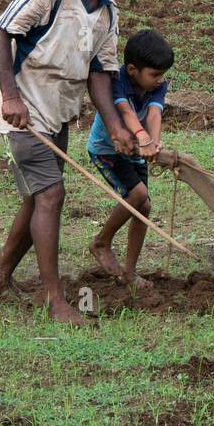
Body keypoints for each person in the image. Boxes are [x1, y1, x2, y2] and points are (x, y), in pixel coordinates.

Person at [0, 0, 138, 324]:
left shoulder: (107, 12)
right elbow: (1, 34)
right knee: (52, 196)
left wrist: (116, 126)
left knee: (36, 196)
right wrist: (11, 98)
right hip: (24, 110)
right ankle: (55, 301)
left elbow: (101, 73)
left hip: (60, 110)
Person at [86, 29, 175, 288]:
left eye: (162, 75)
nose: (160, 80)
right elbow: (125, 110)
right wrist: (142, 137)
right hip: (107, 150)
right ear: (134, 69)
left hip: (136, 152)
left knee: (144, 207)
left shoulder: (159, 85)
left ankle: (129, 272)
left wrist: (154, 144)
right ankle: (101, 242)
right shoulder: (118, 80)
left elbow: (155, 114)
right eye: (155, 74)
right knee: (136, 195)